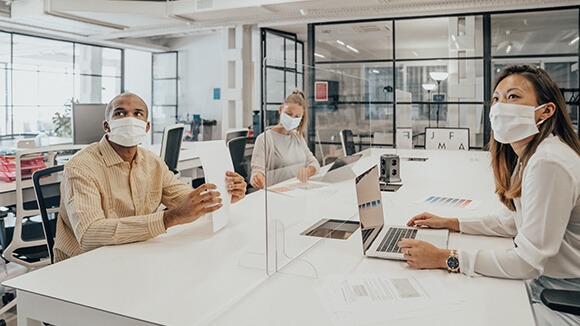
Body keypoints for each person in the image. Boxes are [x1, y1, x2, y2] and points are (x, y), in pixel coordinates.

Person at [398, 64, 580, 325]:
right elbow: (512, 221)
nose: (500, 106)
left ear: (546, 111)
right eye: (496, 98)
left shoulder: (548, 162)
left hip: (561, 295)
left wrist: (445, 258)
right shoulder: (532, 155)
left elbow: (528, 262)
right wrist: (451, 222)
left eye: (513, 96)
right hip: (549, 285)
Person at [54, 92, 247, 261]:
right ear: (107, 126)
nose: (129, 118)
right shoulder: (81, 167)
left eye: (137, 114)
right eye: (120, 113)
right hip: (84, 264)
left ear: (146, 127)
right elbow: (89, 234)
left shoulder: (152, 162)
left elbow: (186, 200)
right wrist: (168, 219)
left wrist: (223, 194)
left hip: (134, 253)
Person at [250, 89, 320, 189]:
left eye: (297, 116)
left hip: (299, 190)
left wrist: (308, 171)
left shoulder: (297, 137)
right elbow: (257, 172)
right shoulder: (264, 139)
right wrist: (258, 178)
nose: (292, 118)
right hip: (277, 194)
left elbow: (314, 163)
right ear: (280, 110)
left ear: (301, 118)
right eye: (289, 113)